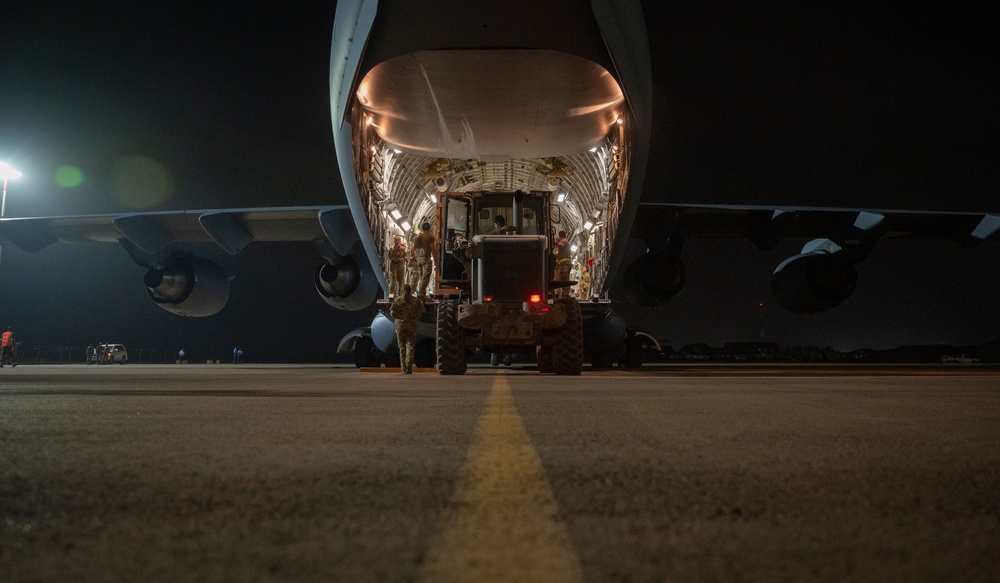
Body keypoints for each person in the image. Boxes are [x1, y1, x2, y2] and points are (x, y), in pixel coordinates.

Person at [389, 283, 424, 374]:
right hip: (411, 326)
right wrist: (412, 318)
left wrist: (400, 318)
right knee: (410, 346)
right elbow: (420, 313)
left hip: (400, 326)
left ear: (402, 290)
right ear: (410, 291)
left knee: (401, 347)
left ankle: (403, 367)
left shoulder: (397, 300)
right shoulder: (416, 301)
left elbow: (392, 313)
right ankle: (409, 367)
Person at [411, 222, 437, 297]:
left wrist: (417, 259)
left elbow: (415, 250)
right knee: (426, 277)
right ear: (429, 228)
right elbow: (432, 249)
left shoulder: (417, 238)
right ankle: (421, 294)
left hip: (419, 259)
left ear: (422, 228)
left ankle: (421, 292)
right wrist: (436, 261)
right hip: (426, 259)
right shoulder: (430, 237)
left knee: (421, 276)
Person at [552, 230, 572, 298]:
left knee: (563, 279)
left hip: (564, 264)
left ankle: (564, 295)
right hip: (564, 264)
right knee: (562, 278)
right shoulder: (565, 243)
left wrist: (555, 243)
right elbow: (559, 254)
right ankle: (563, 295)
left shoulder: (563, 241)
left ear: (560, 236)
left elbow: (560, 246)